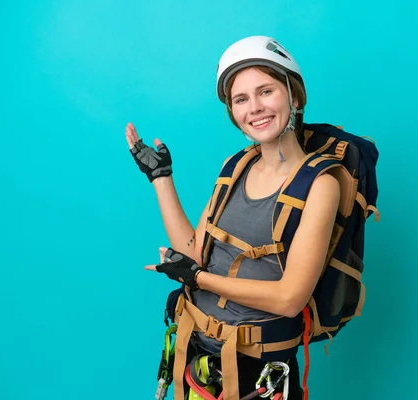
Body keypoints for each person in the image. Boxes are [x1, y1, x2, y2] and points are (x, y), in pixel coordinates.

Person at [125, 36, 342, 400]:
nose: (255, 107)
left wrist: (200, 279)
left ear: (295, 96)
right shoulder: (235, 166)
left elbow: (290, 298)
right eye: (241, 99)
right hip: (198, 352)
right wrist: (161, 178)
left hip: (259, 371)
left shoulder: (320, 184)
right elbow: (195, 253)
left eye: (266, 92)